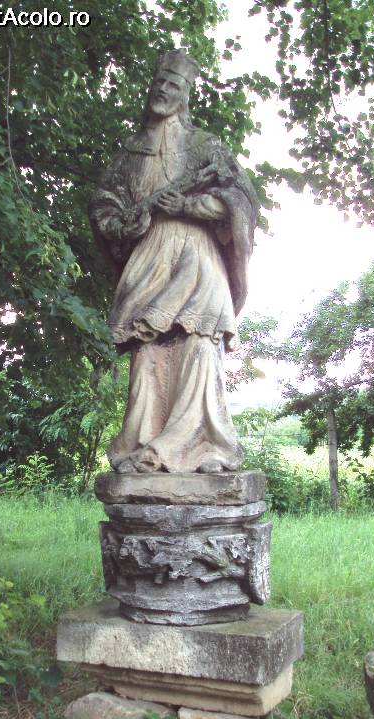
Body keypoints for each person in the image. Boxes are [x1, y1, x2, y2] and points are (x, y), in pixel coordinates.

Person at [90, 49, 258, 473]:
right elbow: (104, 205)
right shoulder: (130, 153)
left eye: (173, 85)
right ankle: (145, 445)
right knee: (149, 350)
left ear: (185, 95)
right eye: (159, 82)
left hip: (199, 257)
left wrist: (189, 206)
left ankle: (206, 448)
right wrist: (122, 224)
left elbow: (241, 202)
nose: (163, 91)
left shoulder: (206, 147)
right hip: (151, 258)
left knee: (201, 344)